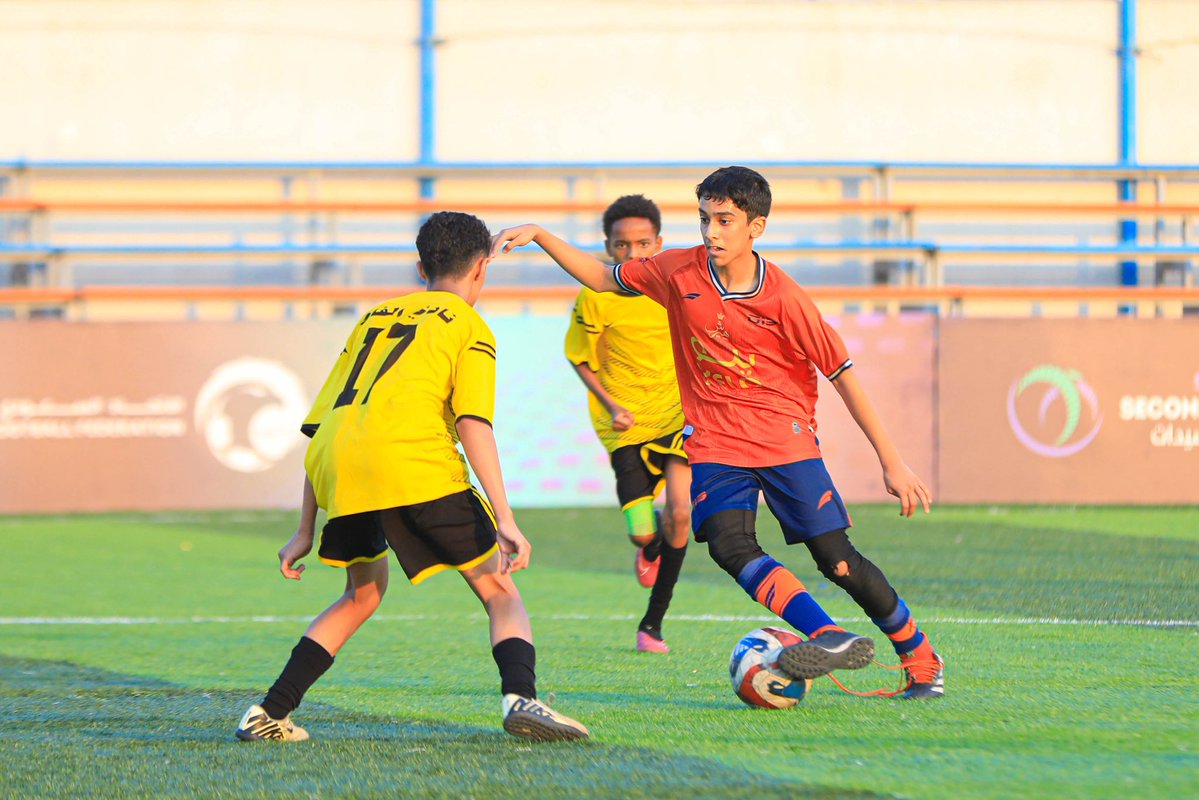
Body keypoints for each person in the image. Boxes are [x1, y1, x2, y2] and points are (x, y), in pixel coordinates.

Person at [491, 167, 944, 700]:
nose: (712, 232)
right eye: (705, 218)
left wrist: (891, 461)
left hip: (783, 436)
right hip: (713, 439)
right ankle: (824, 633)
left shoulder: (784, 297)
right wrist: (541, 234)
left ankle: (919, 655)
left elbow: (842, 374)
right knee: (729, 544)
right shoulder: (678, 270)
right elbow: (600, 276)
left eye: (725, 220)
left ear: (757, 227)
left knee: (836, 559)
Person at [235, 211, 591, 743]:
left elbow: (323, 422)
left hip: (340, 465)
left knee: (361, 594)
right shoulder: (471, 326)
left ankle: (269, 712)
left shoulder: (374, 317)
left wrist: (305, 528)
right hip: (413, 461)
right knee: (499, 587)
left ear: (421, 265)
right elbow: (472, 421)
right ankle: (522, 698)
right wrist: (507, 516)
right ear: (482, 269)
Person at [563, 194, 690, 654]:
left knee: (681, 511)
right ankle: (648, 544)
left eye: (642, 244)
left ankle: (652, 625)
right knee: (643, 529)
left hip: (679, 415)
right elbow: (580, 358)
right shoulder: (596, 294)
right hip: (625, 424)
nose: (632, 255)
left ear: (658, 243)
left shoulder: (676, 287)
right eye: (622, 246)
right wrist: (610, 403)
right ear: (607, 245)